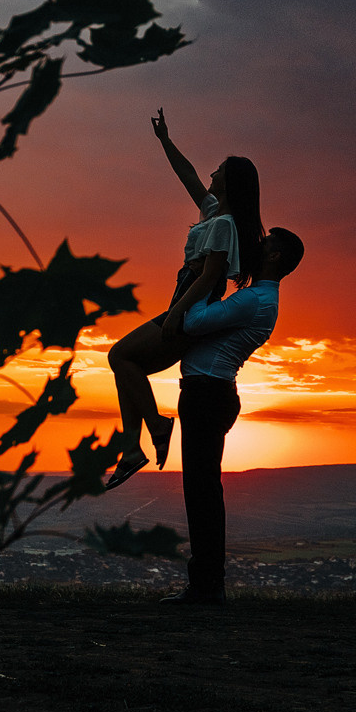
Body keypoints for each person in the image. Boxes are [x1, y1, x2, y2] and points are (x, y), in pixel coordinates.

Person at [103, 110, 262, 490]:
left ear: (230, 181)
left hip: (191, 305)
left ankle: (152, 430)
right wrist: (165, 141)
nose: (212, 173)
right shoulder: (213, 213)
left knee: (120, 356)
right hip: (184, 301)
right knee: (127, 362)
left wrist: (177, 312)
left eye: (220, 169)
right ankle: (132, 448)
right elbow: (188, 176)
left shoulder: (224, 225)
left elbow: (209, 276)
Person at [161, 225, 306, 604]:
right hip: (209, 393)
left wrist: (204, 280)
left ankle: (207, 586)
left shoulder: (254, 299)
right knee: (203, 489)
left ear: (275, 257)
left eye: (266, 243)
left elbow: (192, 322)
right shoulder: (258, 297)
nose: (258, 246)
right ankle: (207, 584)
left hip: (207, 394)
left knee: (202, 491)